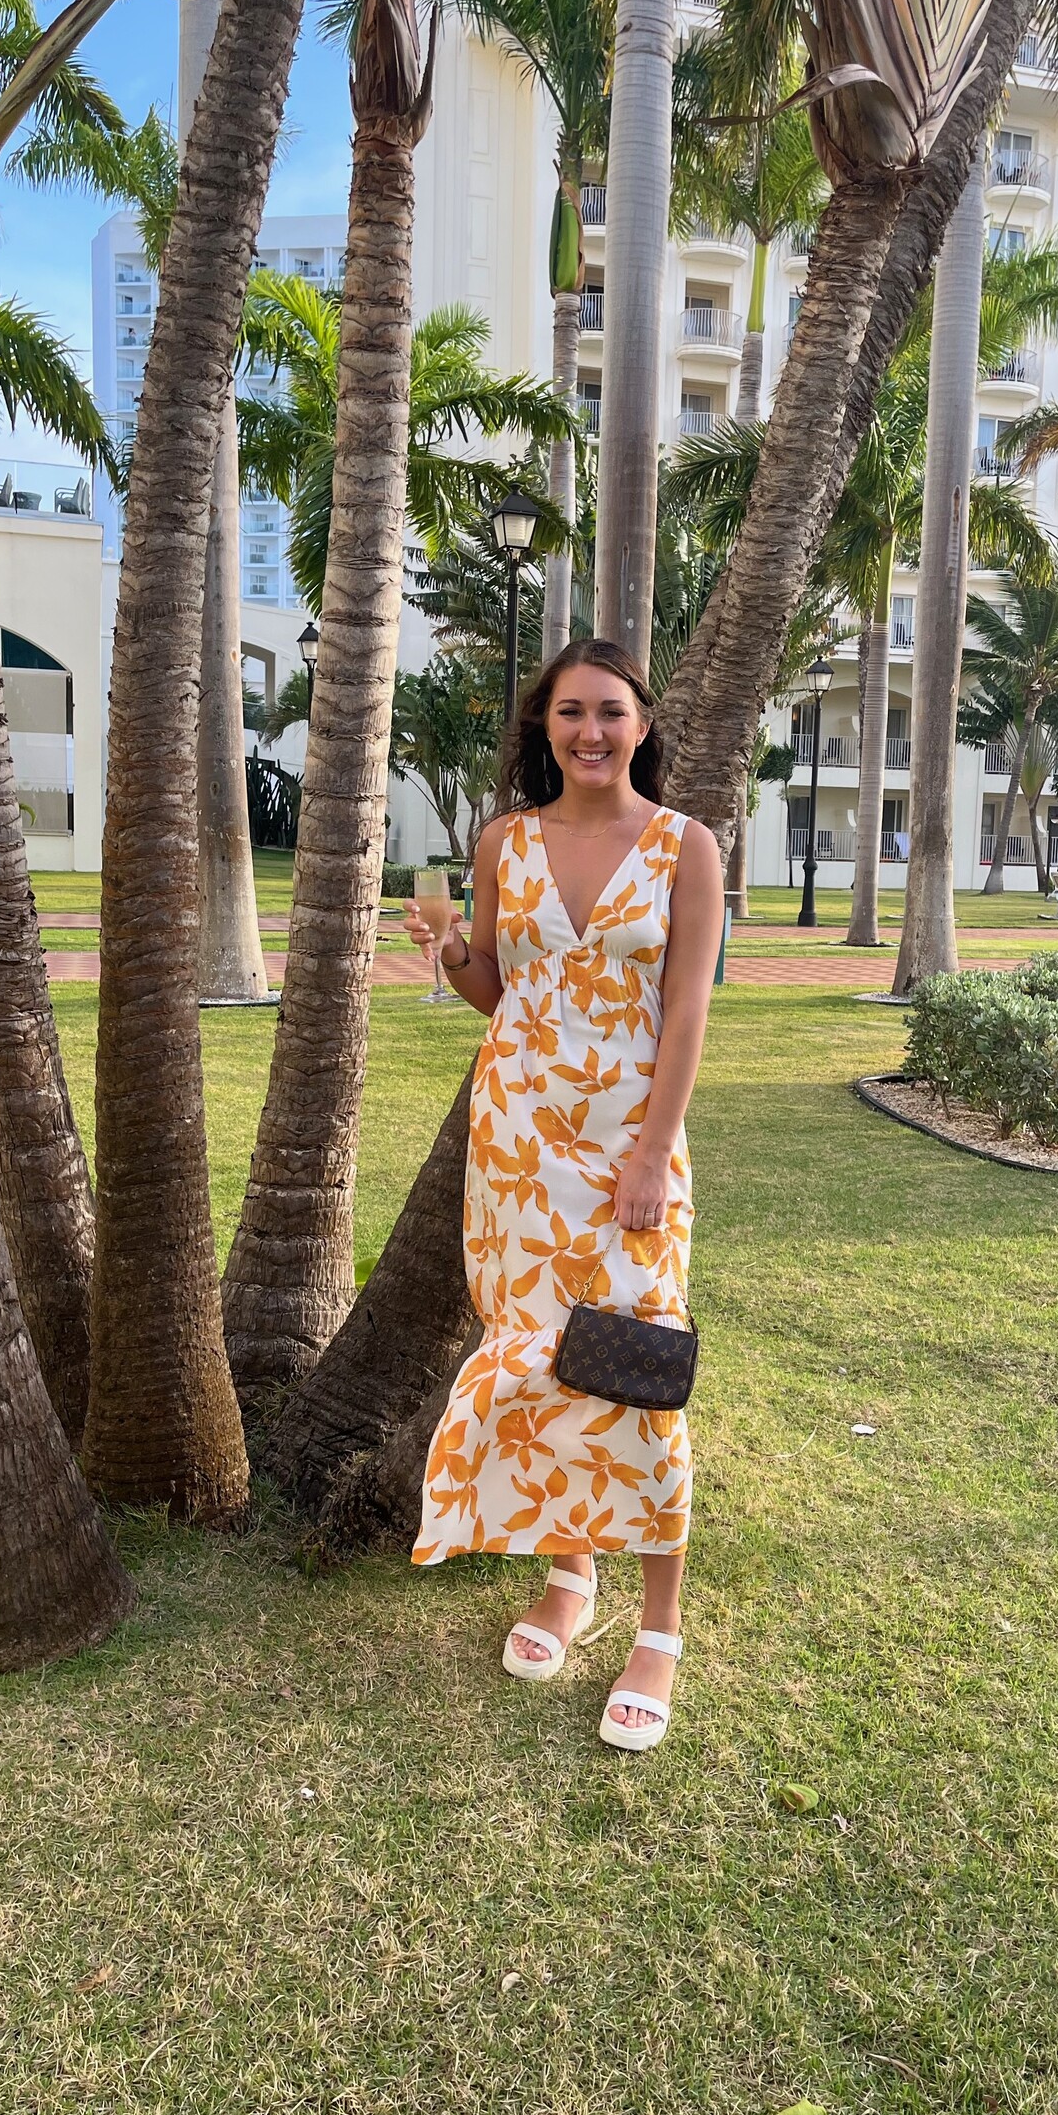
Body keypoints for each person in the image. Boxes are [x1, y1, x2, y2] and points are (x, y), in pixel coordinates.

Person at [403, 640, 722, 1752]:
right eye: (569, 713)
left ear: (641, 725)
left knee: (638, 1357)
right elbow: (497, 990)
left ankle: (660, 1628)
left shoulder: (684, 848)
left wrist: (650, 1152)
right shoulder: (504, 842)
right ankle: (569, 1574)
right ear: (543, 727)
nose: (590, 732)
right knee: (542, 1354)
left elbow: (685, 1013)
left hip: (629, 1145)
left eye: (610, 713)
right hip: (519, 1145)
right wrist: (446, 952)